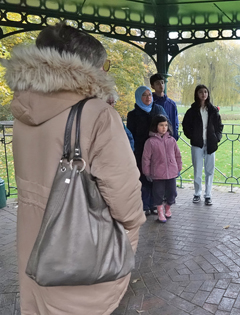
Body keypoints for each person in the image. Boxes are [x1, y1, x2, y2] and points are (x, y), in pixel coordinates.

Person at [2, 22, 146, 314]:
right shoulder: (97, 115)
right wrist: (132, 228)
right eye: (102, 65)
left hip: (34, 245)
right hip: (79, 249)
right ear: (86, 67)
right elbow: (123, 192)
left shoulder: (23, 110)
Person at [127, 86, 167, 215]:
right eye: (144, 95)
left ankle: (156, 204)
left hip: (157, 150)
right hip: (141, 151)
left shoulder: (158, 110)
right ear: (139, 97)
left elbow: (167, 126)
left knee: (157, 177)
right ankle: (144, 204)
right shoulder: (133, 115)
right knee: (143, 177)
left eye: (149, 94)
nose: (148, 97)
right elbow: (131, 134)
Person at [182, 84, 223, 206]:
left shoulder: (213, 110)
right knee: (198, 170)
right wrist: (193, 136)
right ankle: (197, 193)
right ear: (197, 94)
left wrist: (217, 138)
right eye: (201, 92)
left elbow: (219, 126)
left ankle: (208, 195)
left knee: (210, 170)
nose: (203, 94)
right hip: (197, 144)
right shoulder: (192, 111)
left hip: (210, 143)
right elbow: (185, 126)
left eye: (205, 92)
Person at [142, 115, 182, 223]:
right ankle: (160, 211)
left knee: (172, 192)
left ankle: (168, 208)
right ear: (156, 126)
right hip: (157, 173)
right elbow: (146, 158)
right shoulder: (150, 142)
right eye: (161, 125)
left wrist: (179, 167)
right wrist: (147, 172)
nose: (164, 128)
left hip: (172, 172)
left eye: (165, 125)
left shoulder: (172, 140)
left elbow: (177, 155)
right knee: (158, 193)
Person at [150, 73, 179, 140]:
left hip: (169, 139)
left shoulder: (172, 104)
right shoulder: (150, 103)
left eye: (162, 83)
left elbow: (175, 122)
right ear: (152, 86)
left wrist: (174, 136)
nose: (161, 85)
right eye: (158, 83)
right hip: (154, 139)